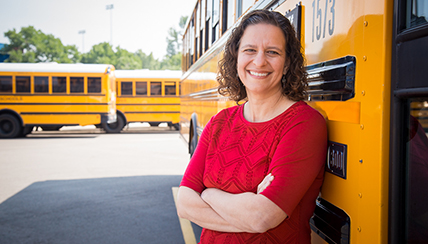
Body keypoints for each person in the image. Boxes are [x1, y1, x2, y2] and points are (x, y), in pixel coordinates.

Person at [176, 9, 327, 243]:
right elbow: (184, 203)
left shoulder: (303, 124)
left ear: (287, 64)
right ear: (236, 57)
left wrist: (208, 193)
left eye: (272, 52)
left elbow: (261, 217)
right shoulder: (219, 123)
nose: (259, 61)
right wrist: (247, 204)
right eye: (250, 50)